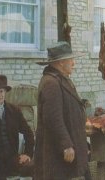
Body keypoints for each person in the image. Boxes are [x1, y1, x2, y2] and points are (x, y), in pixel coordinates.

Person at [34, 42, 91, 180]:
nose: (74, 63)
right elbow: (53, 118)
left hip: (66, 144)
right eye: (71, 59)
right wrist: (66, 145)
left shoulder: (61, 79)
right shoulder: (51, 83)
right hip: (55, 150)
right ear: (60, 62)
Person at [0, 74, 34, 180]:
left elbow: (29, 133)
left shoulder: (14, 110)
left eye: (1, 91)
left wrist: (27, 154)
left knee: (33, 166)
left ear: (5, 92)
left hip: (12, 157)